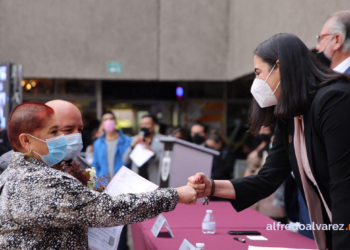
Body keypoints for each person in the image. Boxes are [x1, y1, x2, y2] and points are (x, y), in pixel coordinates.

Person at [188, 33, 350, 250]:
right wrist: (212, 187)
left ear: (279, 67)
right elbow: (267, 179)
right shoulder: (291, 117)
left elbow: (344, 188)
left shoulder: (334, 101)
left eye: (258, 73)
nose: (256, 83)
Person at [0, 102, 197, 249]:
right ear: (26, 141)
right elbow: (106, 210)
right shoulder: (38, 180)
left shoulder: (21, 172)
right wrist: (175, 195)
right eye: (55, 132)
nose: (65, 138)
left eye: (78, 130)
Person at [0, 100, 89, 170]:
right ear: (26, 140)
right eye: (68, 130)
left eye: (80, 129)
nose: (77, 136)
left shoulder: (82, 165)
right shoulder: (8, 166)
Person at [123, 114, 164, 185]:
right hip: (136, 182)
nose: (143, 126)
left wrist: (153, 152)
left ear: (154, 126)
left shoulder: (162, 141)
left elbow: (165, 162)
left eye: (147, 124)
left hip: (153, 182)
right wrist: (133, 146)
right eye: (142, 124)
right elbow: (125, 160)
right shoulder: (134, 139)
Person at [93, 111, 132, 178]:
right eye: (105, 119)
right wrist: (97, 183)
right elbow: (96, 165)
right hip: (103, 184)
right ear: (102, 124)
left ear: (115, 122)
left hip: (123, 181)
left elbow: (131, 164)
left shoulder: (127, 141)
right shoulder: (97, 143)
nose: (108, 121)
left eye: (111, 119)